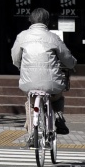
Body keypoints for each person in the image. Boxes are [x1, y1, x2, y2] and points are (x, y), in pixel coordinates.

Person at [11, 8, 76, 140]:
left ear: (30, 21)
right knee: (57, 95)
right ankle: (58, 115)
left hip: (29, 82)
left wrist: (20, 66)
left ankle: (31, 133)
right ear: (47, 21)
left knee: (30, 102)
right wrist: (72, 64)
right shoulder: (53, 37)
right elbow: (67, 59)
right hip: (51, 83)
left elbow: (15, 58)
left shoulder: (22, 36)